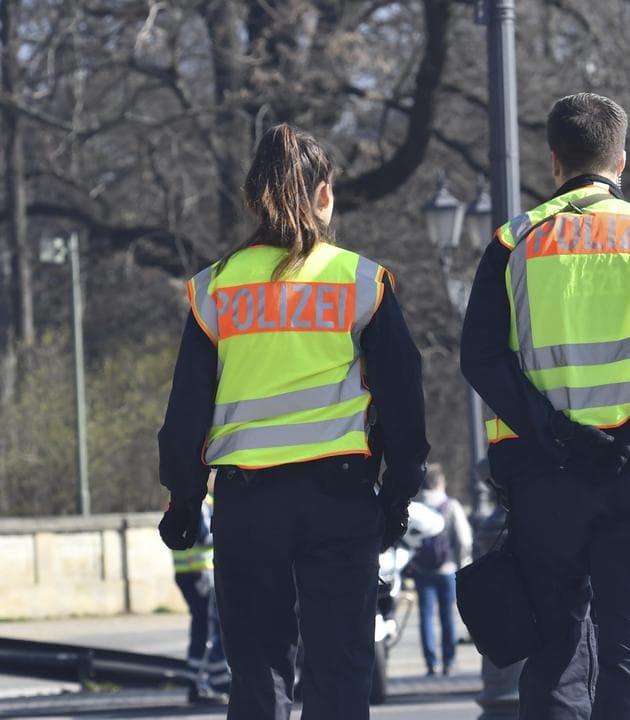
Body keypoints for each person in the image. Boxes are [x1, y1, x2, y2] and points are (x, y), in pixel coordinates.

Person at [460, 92, 630, 718]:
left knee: (555, 652)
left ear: (554, 162)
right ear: (622, 160)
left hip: (546, 481)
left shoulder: (513, 243)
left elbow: (481, 357)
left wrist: (553, 433)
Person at [156, 123, 430, 720]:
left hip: (247, 506)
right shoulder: (362, 282)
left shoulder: (215, 290)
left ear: (253, 197)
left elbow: (186, 415)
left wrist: (181, 503)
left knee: (258, 677)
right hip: (339, 498)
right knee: (339, 674)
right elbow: (405, 402)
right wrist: (398, 494)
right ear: (325, 195)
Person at [410, 464, 472, 676]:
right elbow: (464, 539)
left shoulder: (415, 506)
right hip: (447, 569)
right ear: (439, 482)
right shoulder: (451, 505)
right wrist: (461, 562)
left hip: (421, 569)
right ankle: (449, 661)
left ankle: (430, 663)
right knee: (448, 616)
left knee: (425, 616)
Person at [171, 486, 231, 704]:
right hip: (200, 574)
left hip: (191, 573)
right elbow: (203, 536)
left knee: (208, 629)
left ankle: (217, 680)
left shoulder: (182, 497)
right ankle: (198, 685)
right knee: (205, 631)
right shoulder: (199, 500)